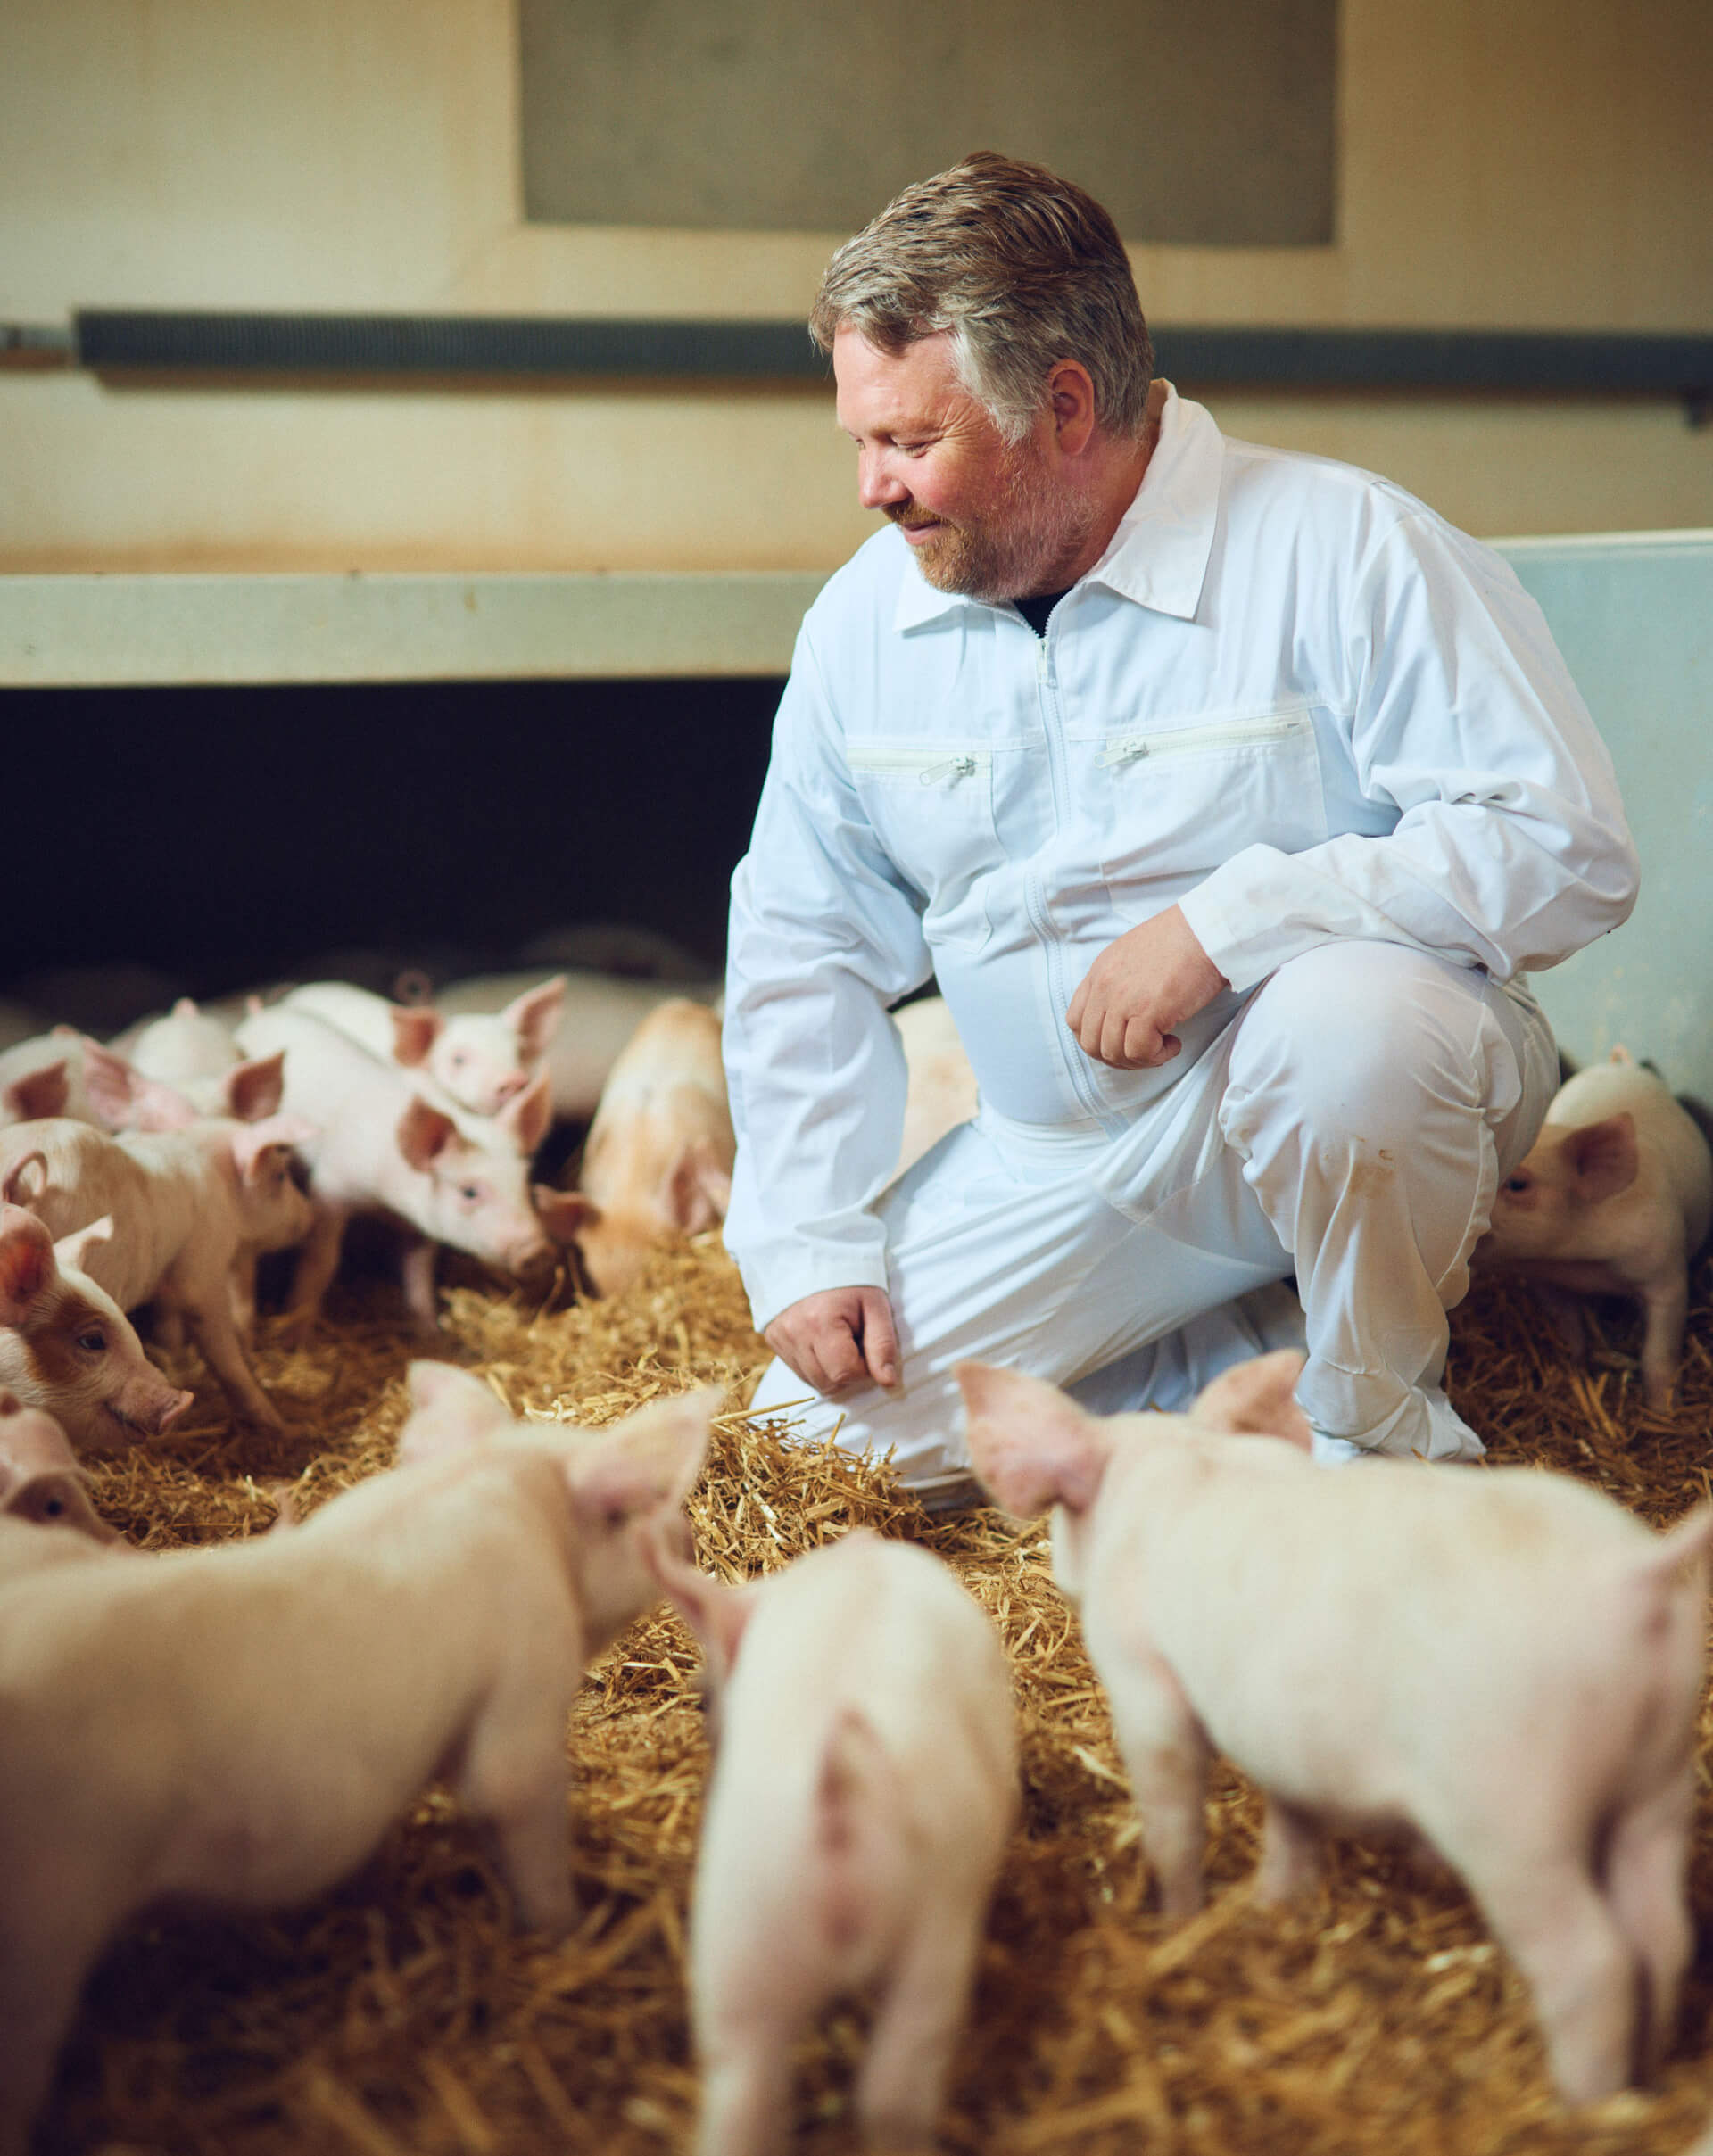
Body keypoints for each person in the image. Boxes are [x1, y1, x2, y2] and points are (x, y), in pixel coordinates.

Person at [721, 151, 1637, 1499]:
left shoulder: (1346, 547)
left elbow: (1563, 841)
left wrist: (1231, 923)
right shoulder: (865, 621)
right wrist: (807, 1237)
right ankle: (1235, 1356)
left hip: (1320, 1093)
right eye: (860, 441)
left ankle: (1375, 1444)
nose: (873, 486)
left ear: (1065, 407)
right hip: (1053, 1160)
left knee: (1351, 1035)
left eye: (910, 442)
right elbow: (801, 935)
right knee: (812, 1448)